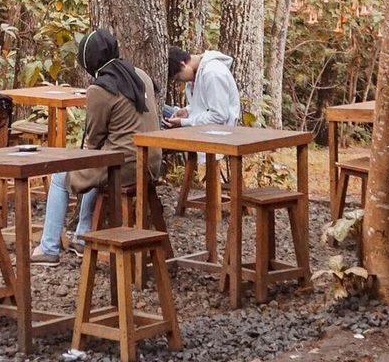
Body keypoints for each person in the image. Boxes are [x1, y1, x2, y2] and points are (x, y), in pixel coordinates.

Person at [31, 29, 162, 265]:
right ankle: (82, 235)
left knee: (62, 175)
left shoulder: (100, 89)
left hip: (125, 166)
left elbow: (93, 139)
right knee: (97, 163)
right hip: (151, 161)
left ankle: (48, 247)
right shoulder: (140, 74)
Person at [164, 46, 241, 127]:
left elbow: (219, 117)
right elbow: (204, 106)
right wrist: (187, 111)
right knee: (161, 109)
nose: (181, 81)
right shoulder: (195, 74)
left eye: (178, 78)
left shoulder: (212, 74)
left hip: (216, 133)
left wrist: (183, 122)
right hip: (201, 126)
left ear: (182, 65)